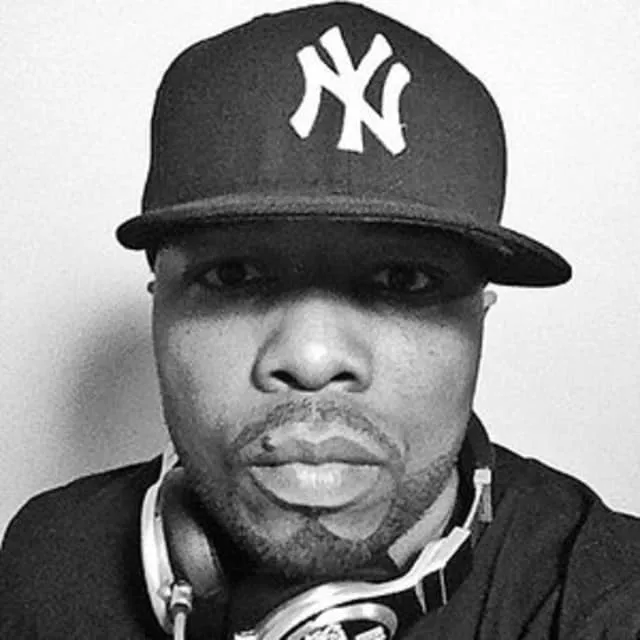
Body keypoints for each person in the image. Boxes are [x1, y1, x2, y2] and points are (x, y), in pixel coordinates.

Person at [1, 2, 639, 638]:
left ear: (481, 321)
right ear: (158, 305)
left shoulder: (601, 598)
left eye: (405, 280)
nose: (312, 358)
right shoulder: (47, 560)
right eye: (234, 276)